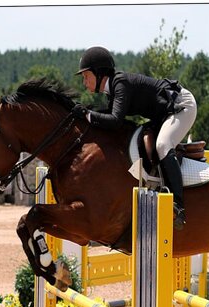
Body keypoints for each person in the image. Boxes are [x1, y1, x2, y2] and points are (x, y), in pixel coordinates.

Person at [72, 46, 197, 230]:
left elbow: (115, 120)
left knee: (162, 145)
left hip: (181, 106)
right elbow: (108, 116)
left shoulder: (120, 83)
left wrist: (87, 115)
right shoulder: (113, 90)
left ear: (99, 73)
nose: (84, 82)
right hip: (163, 114)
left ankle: (178, 205)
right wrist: (85, 115)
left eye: (86, 76)